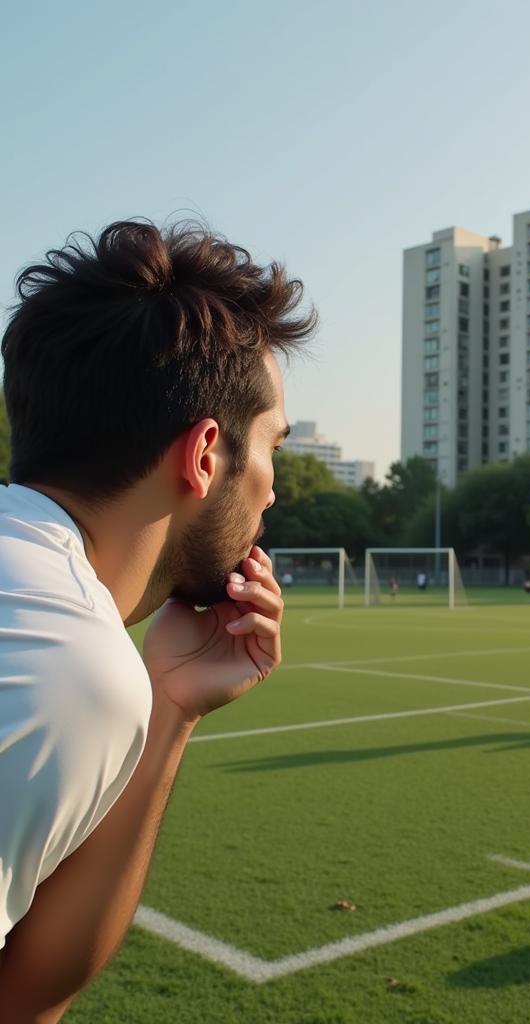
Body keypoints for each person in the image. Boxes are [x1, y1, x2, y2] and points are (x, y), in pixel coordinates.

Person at [0, 220, 314, 1019]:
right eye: (272, 445)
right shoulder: (58, 660)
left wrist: (168, 704)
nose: (273, 489)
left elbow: (26, 978)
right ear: (206, 454)